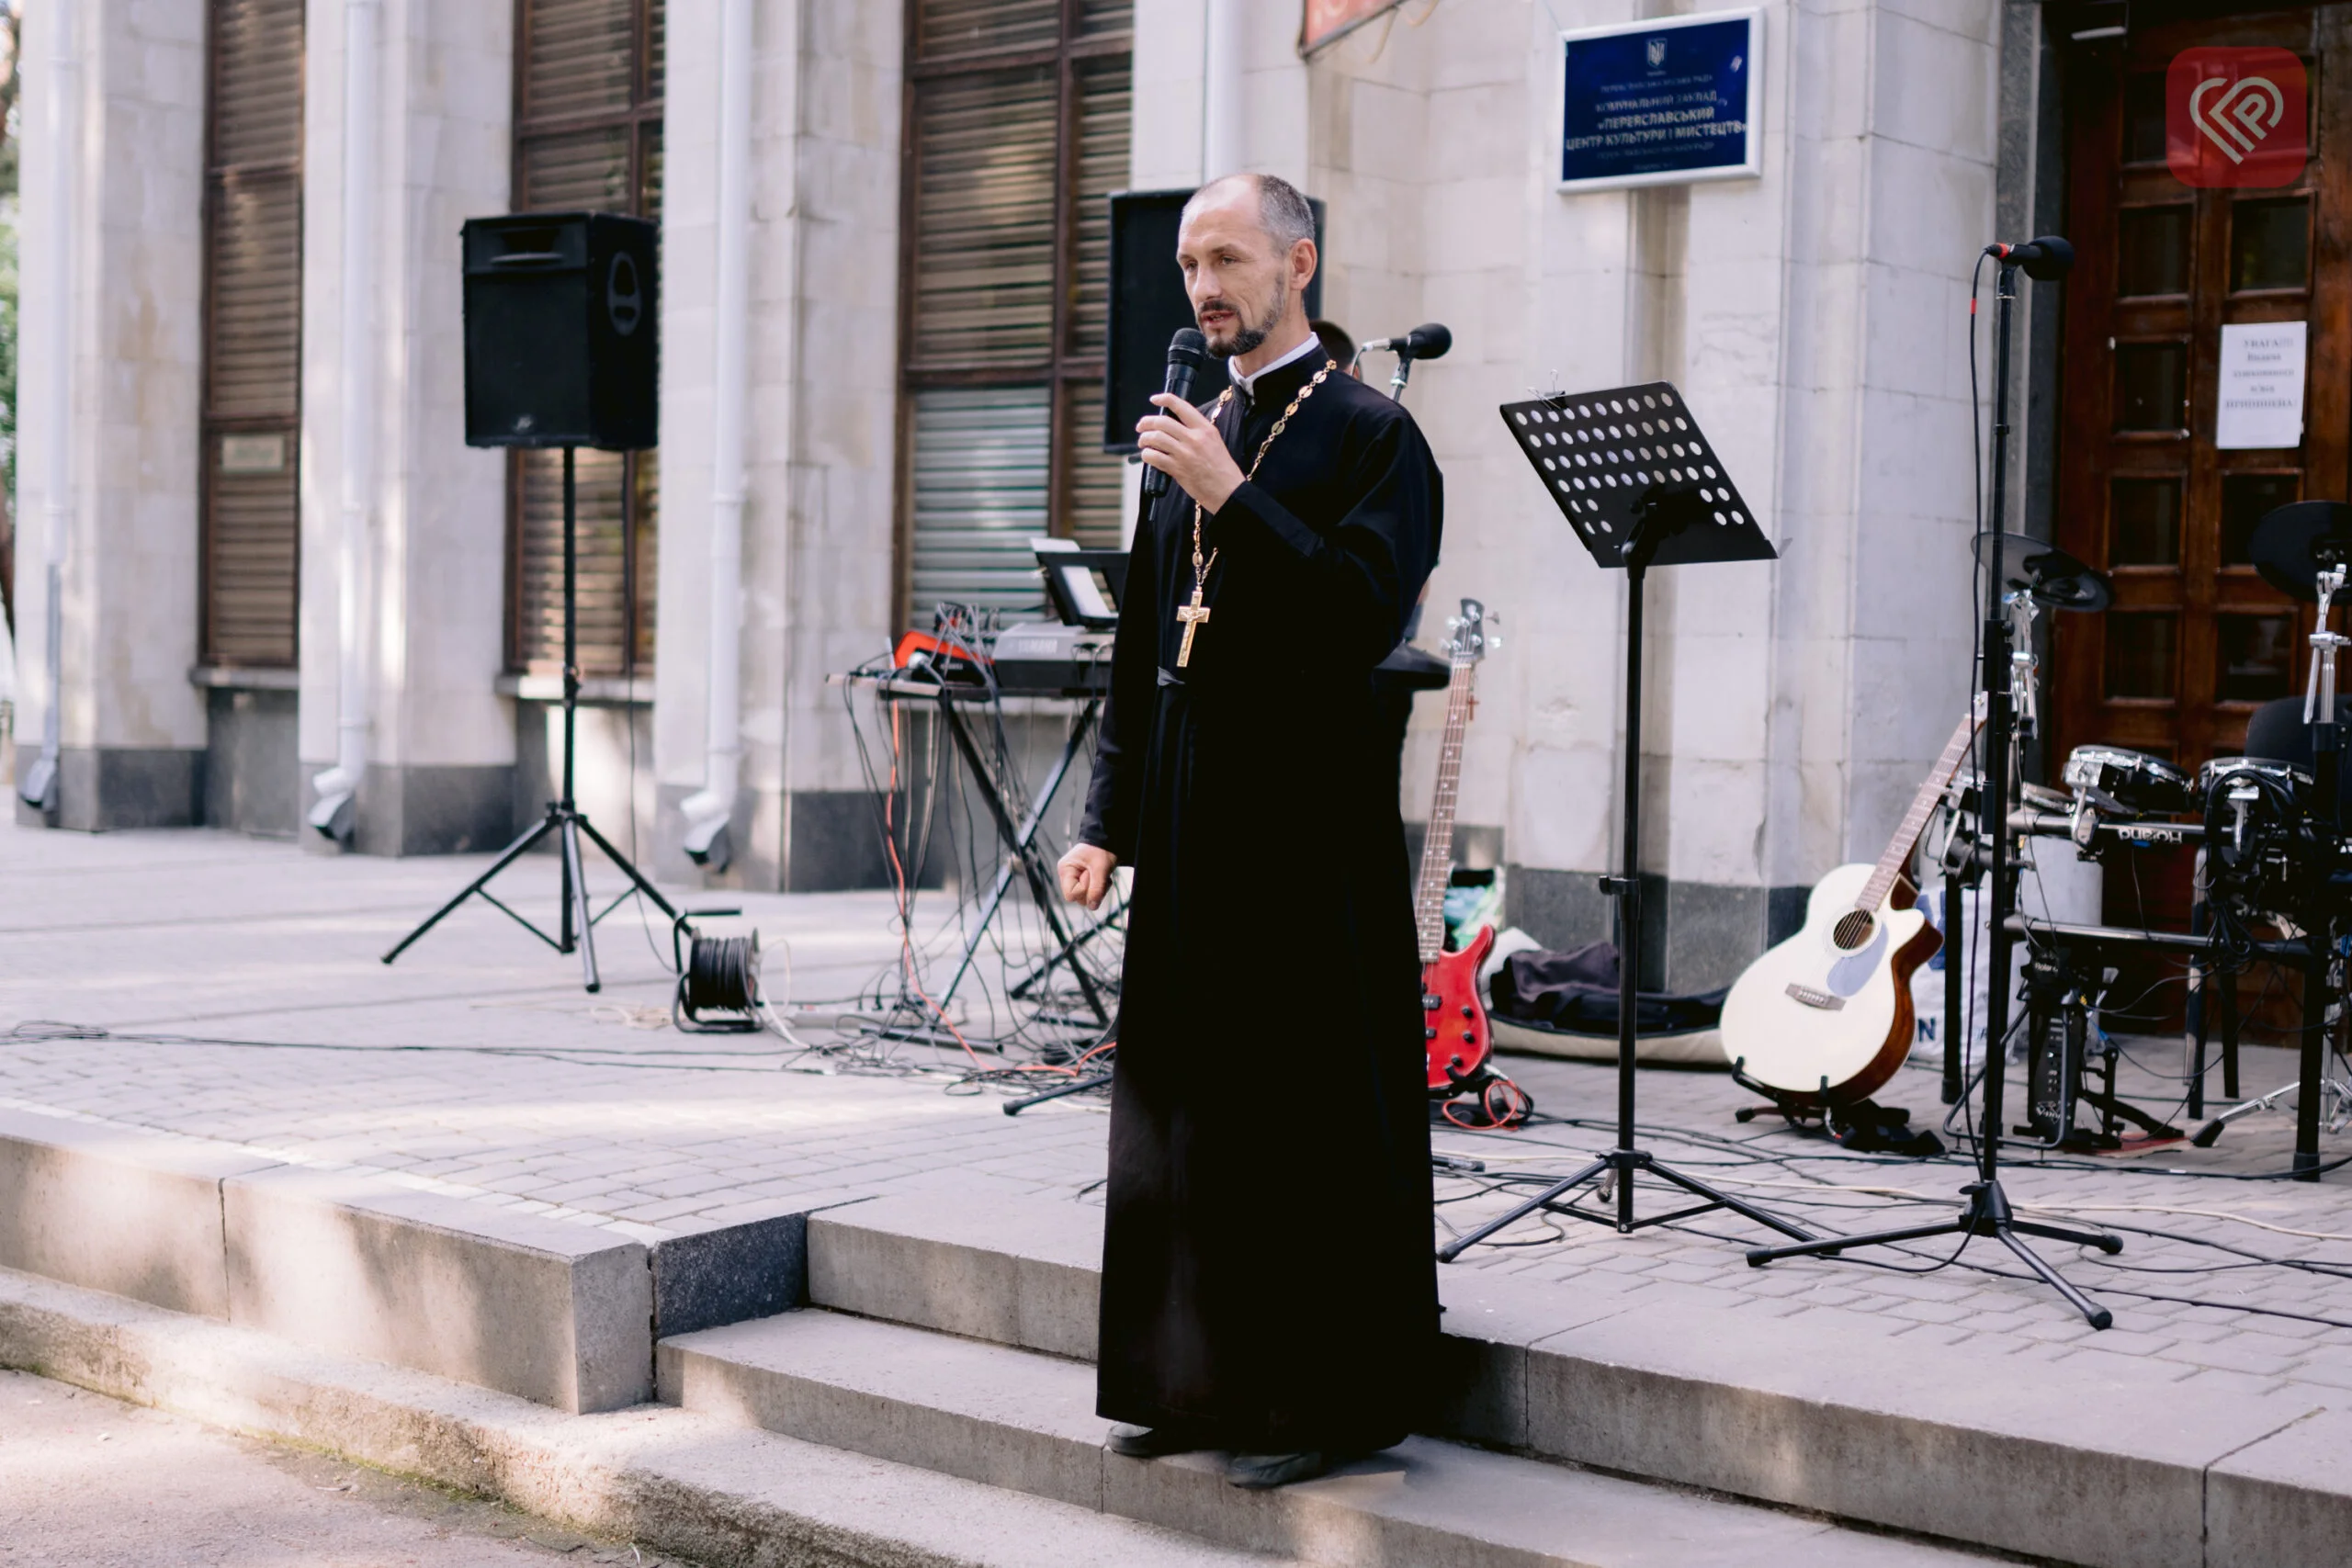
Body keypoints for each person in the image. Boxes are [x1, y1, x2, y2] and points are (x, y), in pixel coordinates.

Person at [1057, 174, 1444, 1490]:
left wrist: (1234, 492)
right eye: (1186, 264)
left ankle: (1313, 1401)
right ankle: (1188, 1377)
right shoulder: (1189, 430)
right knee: (1183, 1103)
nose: (1202, 285)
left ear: (1301, 261)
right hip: (1186, 800)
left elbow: (1359, 616)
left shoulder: (1376, 435)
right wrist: (1106, 818)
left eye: (1226, 257)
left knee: (1298, 1106)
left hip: (1305, 812)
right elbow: (1139, 641)